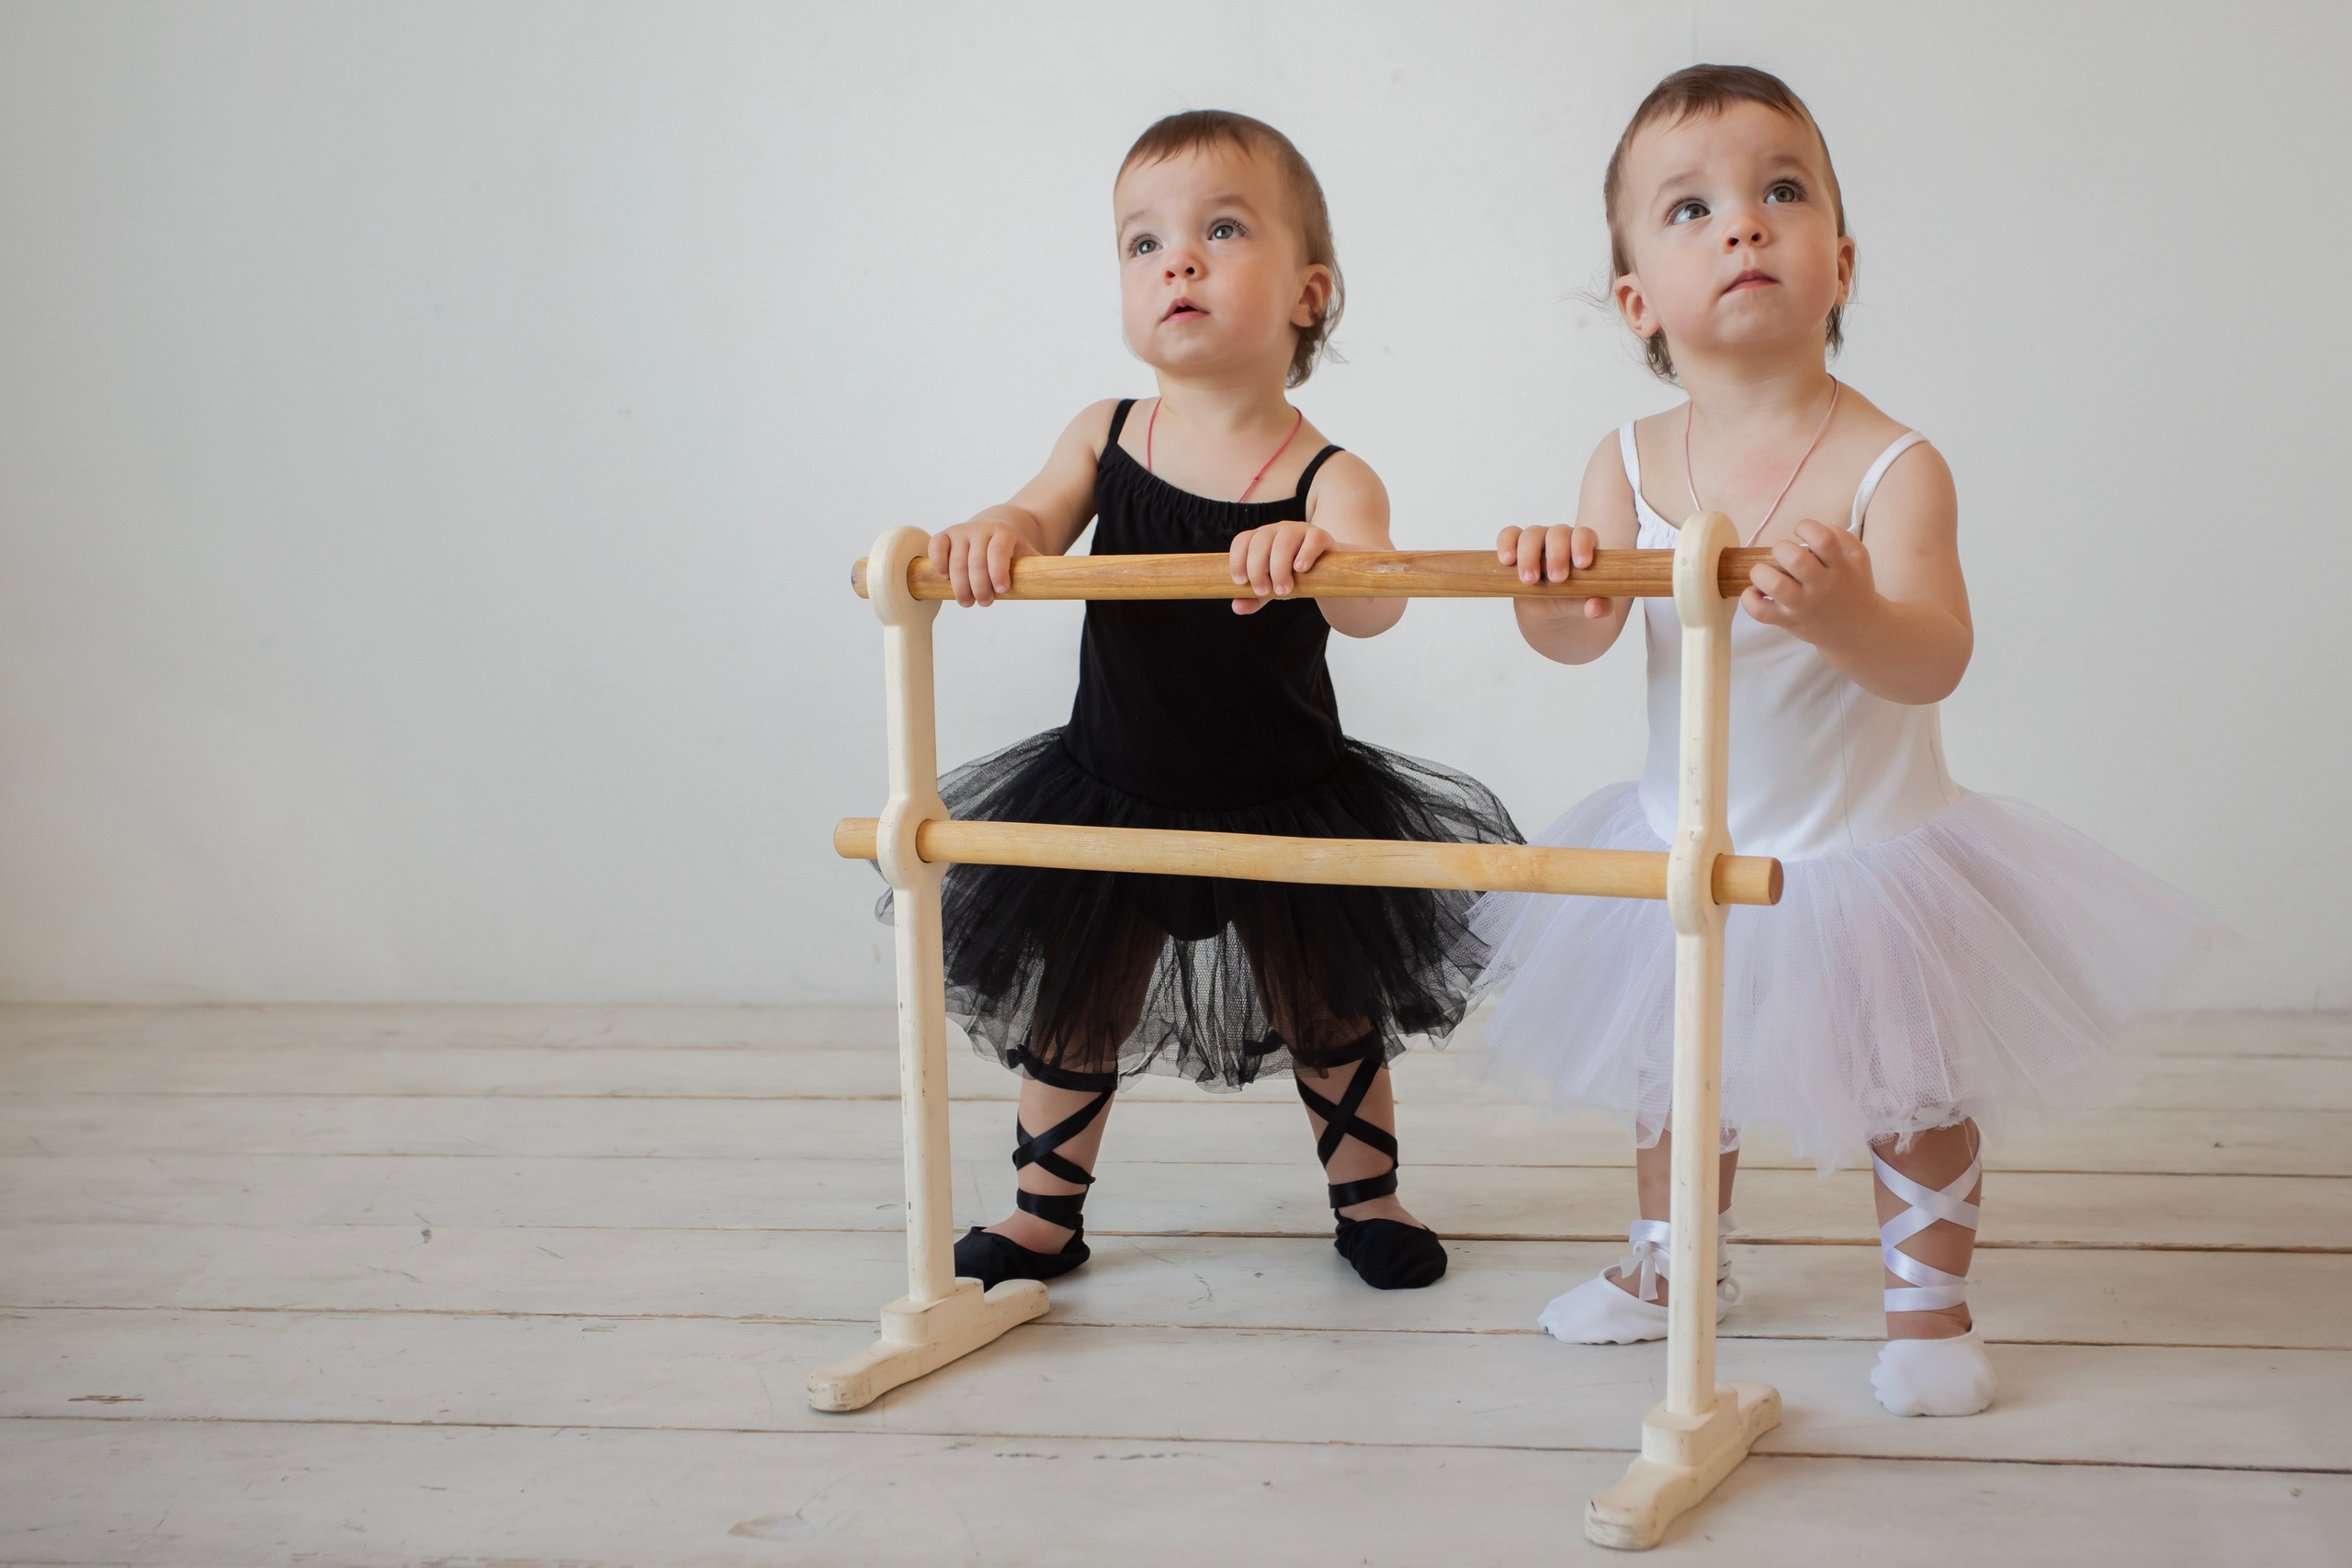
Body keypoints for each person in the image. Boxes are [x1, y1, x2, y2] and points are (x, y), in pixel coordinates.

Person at [1475, 66, 2225, 1415]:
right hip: (1687, 828)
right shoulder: (1630, 460)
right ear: (1639, 298)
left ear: (1841, 259)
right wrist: (1546, 592)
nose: (1744, 228)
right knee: (1672, 1061)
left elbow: (1935, 651)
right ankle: (1671, 1265)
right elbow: (1580, 636)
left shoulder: (1894, 462)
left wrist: (1850, 612)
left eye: (1782, 193)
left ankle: (1928, 1309)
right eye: (1692, 209)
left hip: (1865, 850)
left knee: (1911, 1078)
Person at [899, 109, 1519, 1294]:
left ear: (1307, 293)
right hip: (1113, 784)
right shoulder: (1110, 432)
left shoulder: (1330, 476)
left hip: (1283, 796)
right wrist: (997, 532)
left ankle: (1371, 1199)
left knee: (1328, 1010)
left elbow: (1378, 599)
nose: (1176, 260)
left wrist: (1323, 559)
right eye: (1144, 243)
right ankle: (1043, 1213)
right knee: (1077, 1006)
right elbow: (1036, 515)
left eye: (1221, 231)